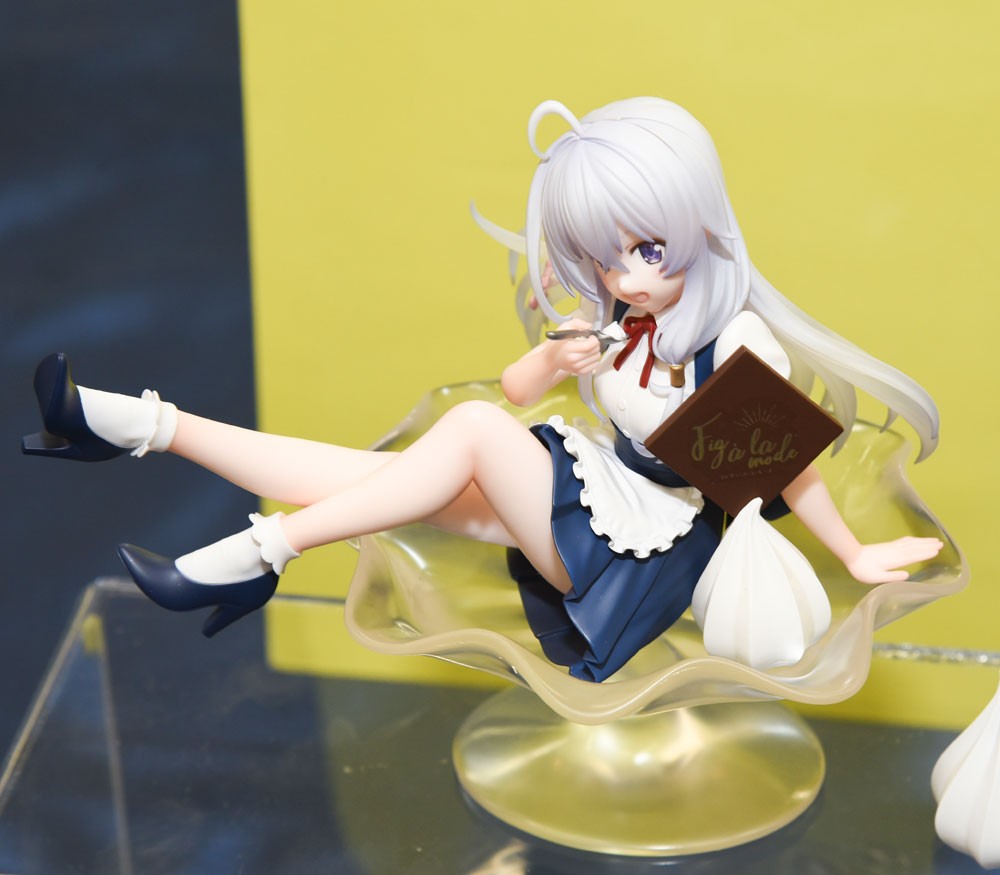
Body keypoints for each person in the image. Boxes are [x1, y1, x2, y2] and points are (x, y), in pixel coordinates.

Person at [23, 97, 943, 681]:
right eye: (604, 256)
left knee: (466, 432)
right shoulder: (617, 320)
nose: (623, 276)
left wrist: (854, 553)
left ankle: (263, 551)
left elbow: (783, 467)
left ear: (698, 224)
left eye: (646, 248)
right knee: (366, 477)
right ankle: (138, 425)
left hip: (649, 553)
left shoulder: (734, 341)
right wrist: (555, 361)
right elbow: (516, 387)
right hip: (594, 496)